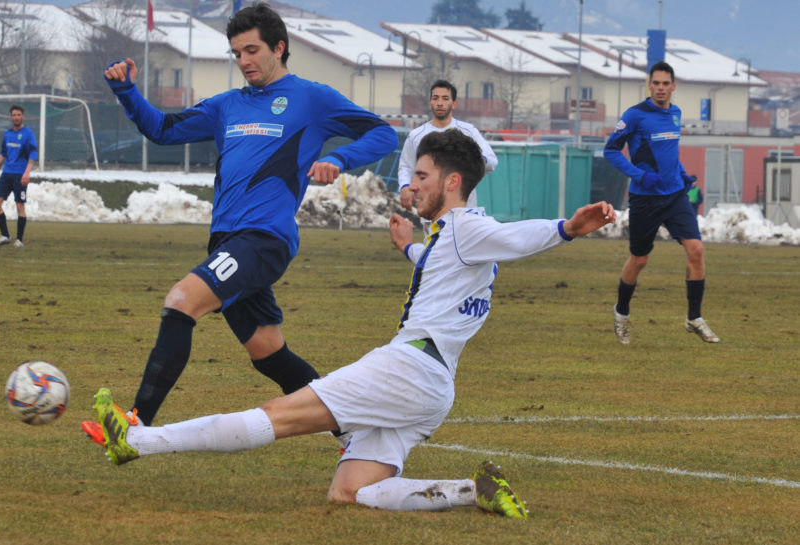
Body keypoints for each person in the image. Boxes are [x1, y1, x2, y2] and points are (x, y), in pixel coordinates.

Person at [82, 129, 616, 515]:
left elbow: (516, 237)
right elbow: (446, 269)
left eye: (423, 176)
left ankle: (137, 440)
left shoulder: (466, 227)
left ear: (453, 181)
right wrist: (410, 249)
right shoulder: (452, 239)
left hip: (407, 368)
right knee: (348, 491)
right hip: (434, 386)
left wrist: (567, 227)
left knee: (278, 415)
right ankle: (467, 491)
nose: (413, 185)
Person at [96, 4, 398, 428]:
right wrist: (127, 91)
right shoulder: (227, 106)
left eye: (252, 50)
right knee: (269, 354)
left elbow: (383, 132)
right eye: (236, 53)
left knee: (182, 301)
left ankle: (136, 424)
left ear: (279, 47)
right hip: (227, 241)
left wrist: (341, 158)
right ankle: (352, 428)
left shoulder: (312, 99)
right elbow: (163, 130)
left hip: (263, 238)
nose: (244, 61)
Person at [604, 60, 719, 345]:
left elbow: (668, 151)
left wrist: (682, 174)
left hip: (675, 195)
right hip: (645, 199)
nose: (660, 88)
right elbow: (611, 150)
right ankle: (621, 314)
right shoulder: (635, 115)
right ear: (649, 85)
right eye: (656, 83)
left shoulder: (676, 114)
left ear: (673, 86)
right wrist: (640, 174)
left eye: (666, 84)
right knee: (639, 259)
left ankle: (694, 317)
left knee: (696, 249)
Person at [397, 79, 498, 215]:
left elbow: (491, 161)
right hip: (431, 211)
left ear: (454, 103)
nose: (440, 103)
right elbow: (406, 166)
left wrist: (472, 161)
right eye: (435, 98)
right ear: (430, 103)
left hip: (464, 210)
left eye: (445, 98)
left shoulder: (468, 131)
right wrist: (404, 187)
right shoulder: (416, 135)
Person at [0, 105, 37, 248]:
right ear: (11, 117)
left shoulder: (28, 134)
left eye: (18, 115)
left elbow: (33, 155)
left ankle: (19, 240)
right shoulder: (8, 134)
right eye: (14, 115)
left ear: (23, 116)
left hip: (20, 175)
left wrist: (27, 172)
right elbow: (3, 154)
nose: (16, 117)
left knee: (20, 206)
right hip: (6, 174)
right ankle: (5, 235)